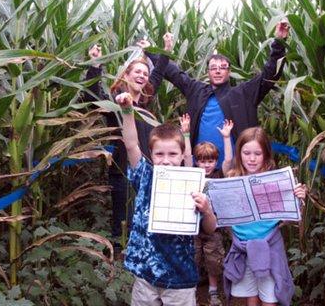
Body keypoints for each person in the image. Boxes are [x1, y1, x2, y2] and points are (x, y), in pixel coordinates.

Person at [114, 91, 217, 305]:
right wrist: (127, 111)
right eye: (160, 154)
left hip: (180, 275)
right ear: (151, 155)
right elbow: (132, 145)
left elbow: (211, 228)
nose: (166, 160)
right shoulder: (145, 175)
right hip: (145, 273)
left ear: (182, 155)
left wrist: (206, 210)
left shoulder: (195, 183)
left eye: (172, 154)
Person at [149, 21, 289, 169]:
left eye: (223, 68)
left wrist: (279, 42)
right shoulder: (195, 89)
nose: (217, 71)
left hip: (234, 170)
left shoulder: (243, 93)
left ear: (229, 72)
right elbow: (173, 72)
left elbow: (269, 74)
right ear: (207, 72)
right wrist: (150, 51)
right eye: (213, 68)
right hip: (200, 168)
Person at [83, 34, 173, 248]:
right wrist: (95, 65)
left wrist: (166, 50)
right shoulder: (116, 104)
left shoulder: (146, 103)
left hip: (148, 171)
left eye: (145, 73)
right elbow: (91, 97)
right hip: (122, 171)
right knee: (122, 223)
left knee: (146, 220)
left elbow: (159, 72)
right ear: (126, 75)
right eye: (137, 72)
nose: (142, 76)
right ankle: (120, 264)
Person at [223, 127, 307, 306]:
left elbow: (289, 219)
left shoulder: (276, 181)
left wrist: (298, 199)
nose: (252, 159)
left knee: (270, 298)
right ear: (240, 154)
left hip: (269, 247)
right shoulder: (232, 179)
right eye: (246, 153)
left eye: (257, 153)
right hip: (241, 246)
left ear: (266, 155)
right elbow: (226, 164)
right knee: (250, 296)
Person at [179, 116, 234, 305]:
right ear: (197, 162)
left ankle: (212, 292)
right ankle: (191, 291)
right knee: (191, 259)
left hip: (213, 229)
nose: (206, 165)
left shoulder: (220, 174)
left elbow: (228, 160)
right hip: (192, 227)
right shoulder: (192, 173)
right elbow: (186, 157)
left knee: (213, 261)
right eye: (202, 161)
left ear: (215, 161)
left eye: (210, 161)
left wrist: (226, 137)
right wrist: (186, 133)